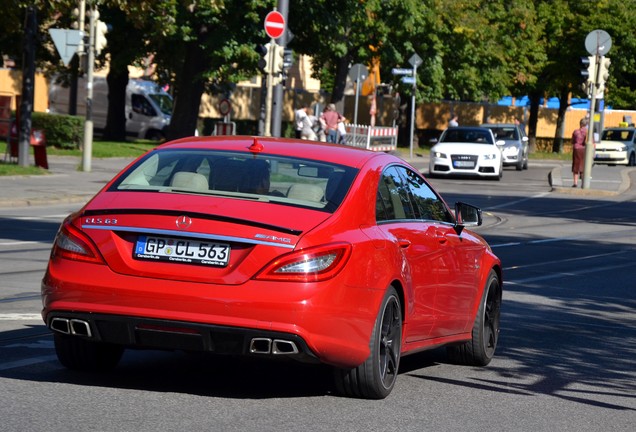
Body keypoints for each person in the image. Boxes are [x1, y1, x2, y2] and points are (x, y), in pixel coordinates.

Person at [571, 117, 588, 187]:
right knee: (583, 165)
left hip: (576, 149)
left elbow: (572, 141)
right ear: (586, 124)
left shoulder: (576, 132)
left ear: (580, 124)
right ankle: (583, 183)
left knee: (576, 165)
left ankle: (575, 183)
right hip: (584, 150)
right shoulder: (588, 133)